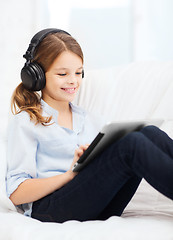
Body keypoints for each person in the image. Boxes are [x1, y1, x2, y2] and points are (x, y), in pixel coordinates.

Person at [6, 28, 173, 223]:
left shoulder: (91, 119)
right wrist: (69, 175)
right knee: (132, 144)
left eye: (78, 72)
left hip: (96, 204)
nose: (73, 81)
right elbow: (16, 193)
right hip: (49, 208)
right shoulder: (26, 121)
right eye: (62, 74)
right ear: (37, 76)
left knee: (149, 132)